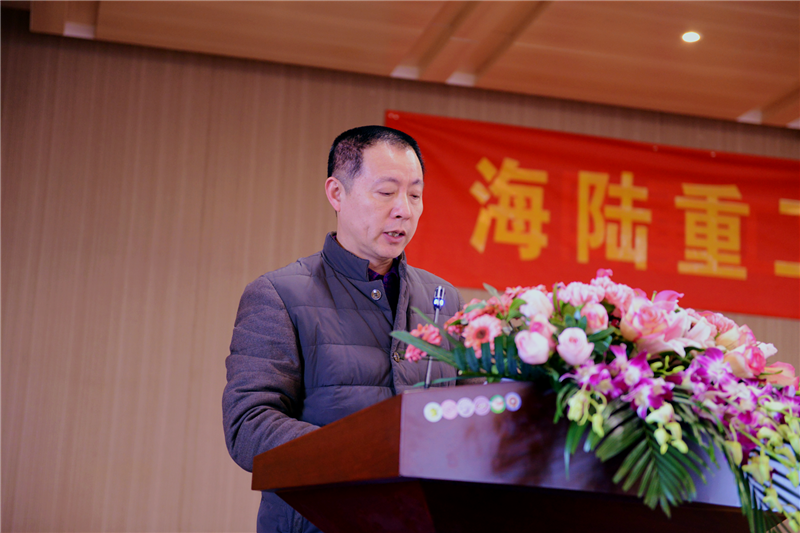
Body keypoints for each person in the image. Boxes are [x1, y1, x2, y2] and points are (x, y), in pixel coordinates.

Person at [222, 125, 464, 533]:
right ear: (336, 193)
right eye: (386, 192)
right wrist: (364, 453)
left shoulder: (445, 300)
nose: (404, 210)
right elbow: (248, 425)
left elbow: (469, 416)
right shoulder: (278, 294)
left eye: (415, 195)